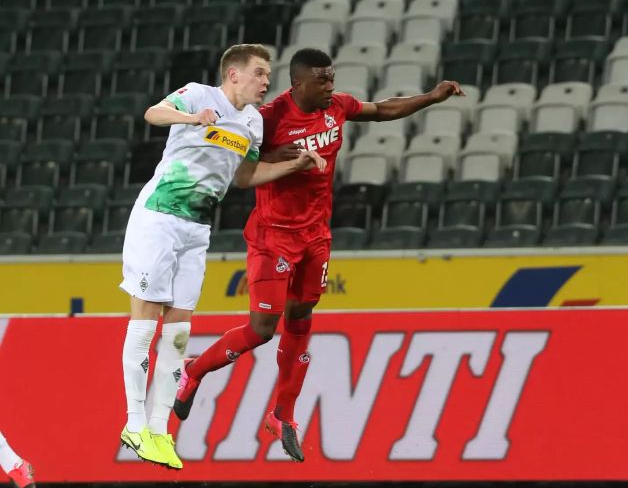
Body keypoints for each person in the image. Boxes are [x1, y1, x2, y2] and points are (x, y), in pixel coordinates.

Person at [174, 48, 464, 461]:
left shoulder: (339, 107)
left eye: (332, 77)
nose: (331, 86)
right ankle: (194, 370)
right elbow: (242, 167)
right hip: (273, 235)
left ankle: (282, 414)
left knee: (301, 320)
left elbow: (381, 110)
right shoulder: (267, 118)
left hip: (315, 237)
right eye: (322, 80)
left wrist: (431, 98)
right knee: (261, 329)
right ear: (298, 84)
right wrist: (281, 157)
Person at [118, 44, 327, 470]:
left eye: (268, 75)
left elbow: (246, 175)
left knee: (178, 333)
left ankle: (159, 430)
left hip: (196, 230)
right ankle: (134, 424)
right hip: (158, 218)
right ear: (233, 74)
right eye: (260, 73)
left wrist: (297, 165)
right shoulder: (198, 95)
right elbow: (153, 113)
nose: (267, 82)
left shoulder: (251, 122)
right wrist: (190, 118)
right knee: (144, 321)